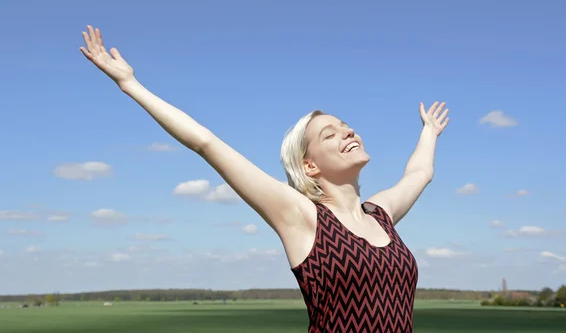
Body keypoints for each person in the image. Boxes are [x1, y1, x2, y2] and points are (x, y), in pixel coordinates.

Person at [80, 25, 449, 332]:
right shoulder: (302, 217)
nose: (348, 132)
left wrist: (429, 132)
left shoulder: (381, 215)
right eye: (330, 134)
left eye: (347, 127)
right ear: (309, 167)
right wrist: (130, 84)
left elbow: (420, 173)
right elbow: (207, 143)